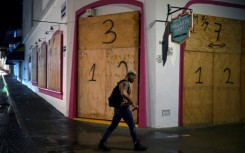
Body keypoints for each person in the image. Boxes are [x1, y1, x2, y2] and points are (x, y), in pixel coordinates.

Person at [98, 70, 148, 151]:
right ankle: (136, 144)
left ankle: (102, 143)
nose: (134, 80)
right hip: (123, 109)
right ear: (130, 76)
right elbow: (123, 93)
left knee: (113, 126)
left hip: (118, 108)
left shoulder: (121, 82)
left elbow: (122, 98)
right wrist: (132, 103)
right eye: (134, 78)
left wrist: (130, 107)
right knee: (132, 126)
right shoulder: (125, 83)